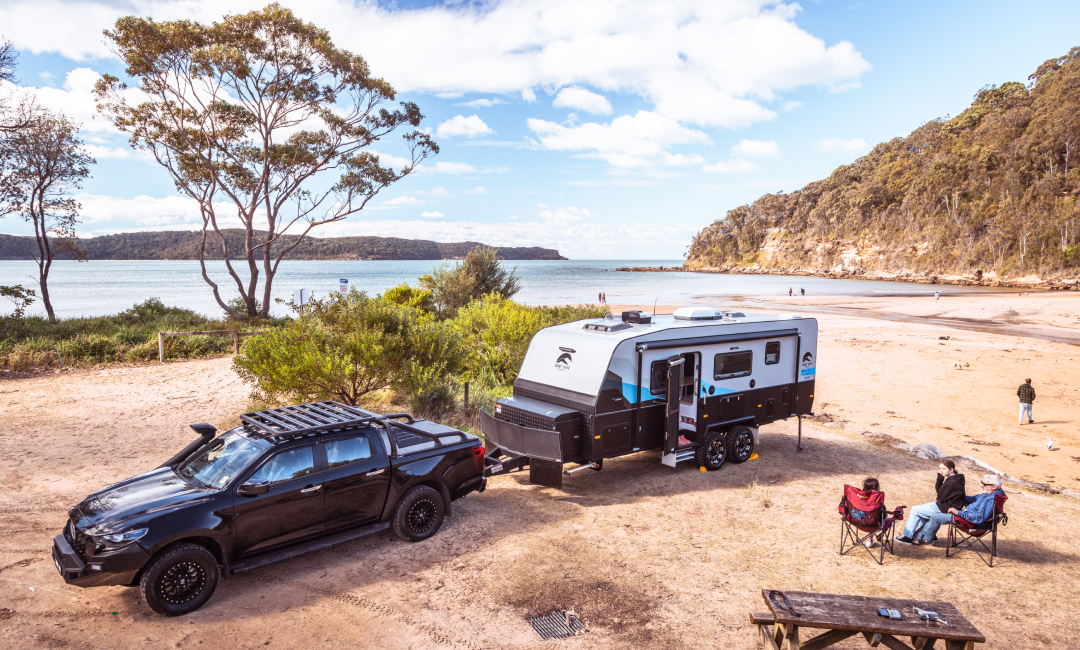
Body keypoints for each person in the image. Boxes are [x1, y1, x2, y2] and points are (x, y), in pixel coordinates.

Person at [895, 459, 966, 545]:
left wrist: (940, 480)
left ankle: (907, 536)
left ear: (951, 470)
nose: (941, 470)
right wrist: (940, 479)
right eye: (940, 468)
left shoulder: (952, 482)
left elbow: (940, 496)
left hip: (945, 508)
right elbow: (941, 494)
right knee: (922, 511)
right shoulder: (956, 479)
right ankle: (922, 536)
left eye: (943, 469)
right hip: (946, 506)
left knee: (915, 510)